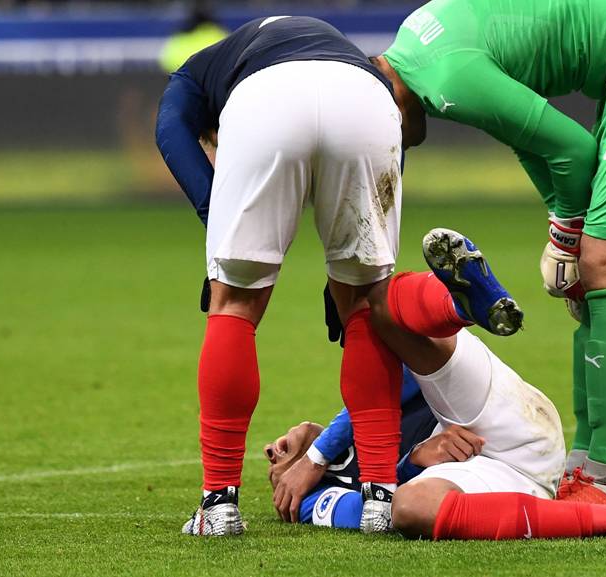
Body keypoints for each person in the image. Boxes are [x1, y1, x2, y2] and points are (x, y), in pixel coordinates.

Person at [370, 0, 606, 503]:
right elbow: (530, 141)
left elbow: (572, 150)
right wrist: (562, 227)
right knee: (591, 270)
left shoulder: (449, 81)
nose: (396, 150)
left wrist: (565, 235)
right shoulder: (420, 42)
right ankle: (584, 467)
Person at [154, 15, 429, 535]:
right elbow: (389, 146)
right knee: (367, 309)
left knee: (233, 308)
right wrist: (354, 276)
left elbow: (169, 129)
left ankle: (218, 506)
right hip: (367, 100)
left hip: (265, 102)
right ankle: (379, 502)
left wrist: (219, 235)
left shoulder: (192, 76)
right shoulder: (335, 47)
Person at [266, 228, 606, 541]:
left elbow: (401, 377)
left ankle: (463, 307)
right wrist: (414, 463)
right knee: (409, 509)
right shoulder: (310, 497)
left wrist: (319, 451)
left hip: (499, 417)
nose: (273, 448)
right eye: (274, 463)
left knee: (385, 312)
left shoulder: (348, 418)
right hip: (497, 476)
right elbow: (374, 517)